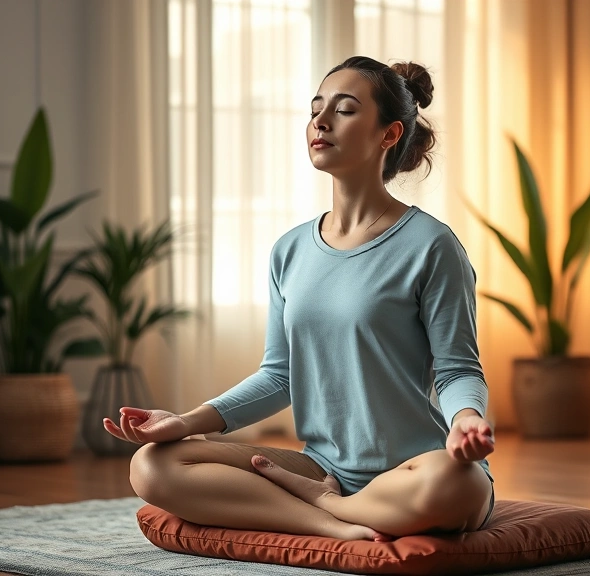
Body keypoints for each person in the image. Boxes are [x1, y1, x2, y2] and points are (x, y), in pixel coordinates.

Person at [103, 56, 495, 542]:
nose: (321, 121)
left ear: (389, 135)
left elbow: (458, 369)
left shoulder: (431, 245)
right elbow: (280, 374)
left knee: (456, 487)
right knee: (153, 466)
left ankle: (332, 505)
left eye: (345, 110)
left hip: (417, 471)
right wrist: (184, 421)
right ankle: (329, 522)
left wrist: (466, 421)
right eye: (316, 109)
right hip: (319, 466)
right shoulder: (290, 250)